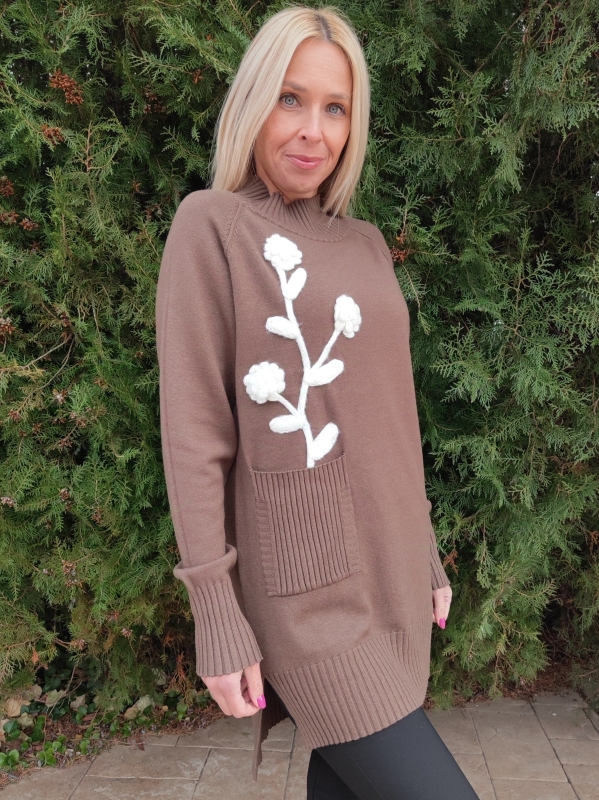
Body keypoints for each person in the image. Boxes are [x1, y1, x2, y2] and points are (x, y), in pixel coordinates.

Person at [155, 6, 480, 799]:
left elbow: (389, 416)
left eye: (334, 108)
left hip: (391, 571)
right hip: (309, 597)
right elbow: (196, 435)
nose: (313, 130)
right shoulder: (213, 227)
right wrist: (216, 613)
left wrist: (427, 552)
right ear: (252, 103)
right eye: (290, 99)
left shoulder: (364, 243)